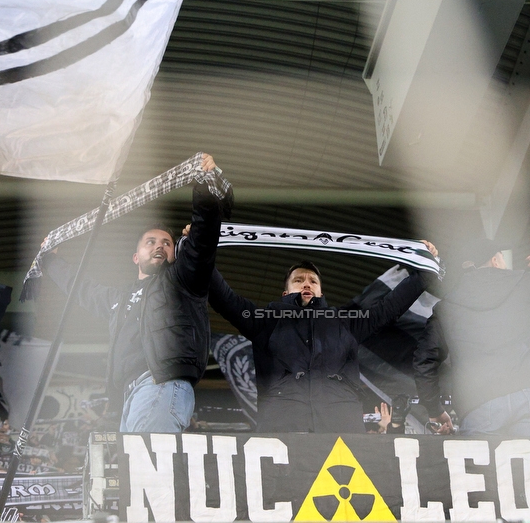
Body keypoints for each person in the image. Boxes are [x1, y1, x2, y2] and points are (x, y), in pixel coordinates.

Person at [42, 154, 232, 433]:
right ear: (135, 256)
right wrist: (50, 261)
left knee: (147, 470)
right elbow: (82, 289)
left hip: (161, 384)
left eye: (167, 243)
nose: (159, 246)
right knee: (138, 474)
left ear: (175, 252)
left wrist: (204, 186)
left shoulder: (182, 279)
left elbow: (204, 236)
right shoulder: (118, 299)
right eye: (151, 242)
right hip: (129, 397)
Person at [205, 251, 436, 433]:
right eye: (298, 280)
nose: (306, 284)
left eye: (313, 281)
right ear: (285, 294)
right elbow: (224, 298)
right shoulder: (264, 321)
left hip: (342, 434)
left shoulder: (346, 323)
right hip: (282, 433)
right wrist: (200, 248)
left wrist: (423, 270)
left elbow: (389, 308)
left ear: (321, 292)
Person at [413, 241, 530, 437]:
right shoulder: (527, 283)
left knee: (486, 468)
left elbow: (424, 362)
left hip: (479, 406)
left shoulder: (447, 307)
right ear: (495, 260)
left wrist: (436, 411)